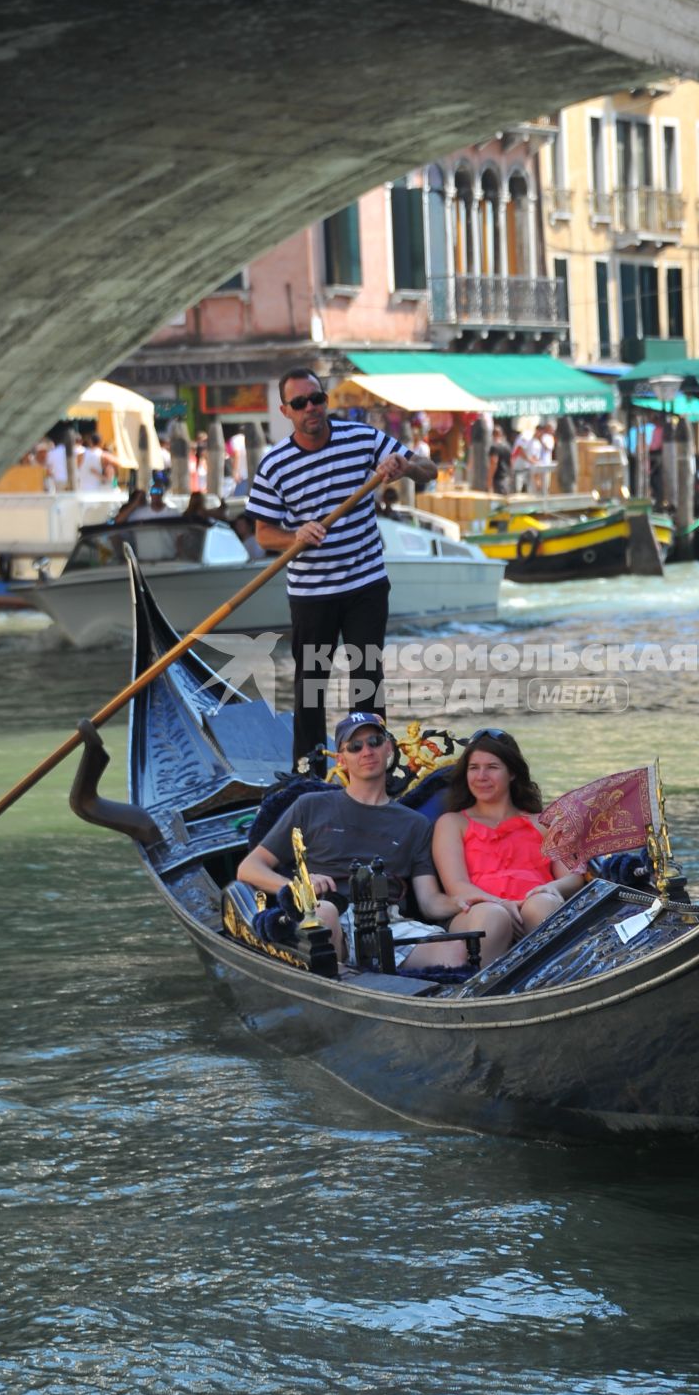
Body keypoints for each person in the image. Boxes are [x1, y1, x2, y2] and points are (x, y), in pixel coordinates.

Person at [245, 368, 438, 773]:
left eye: (317, 399)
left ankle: (372, 766)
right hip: (312, 594)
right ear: (286, 411)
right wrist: (295, 535)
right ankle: (309, 771)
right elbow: (264, 534)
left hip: (365, 585)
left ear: (325, 400)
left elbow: (428, 471)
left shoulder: (362, 438)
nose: (311, 408)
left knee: (367, 677)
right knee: (311, 685)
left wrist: (404, 465)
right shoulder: (275, 465)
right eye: (300, 403)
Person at [237, 713, 509, 970]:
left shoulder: (415, 825)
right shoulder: (310, 805)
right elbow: (249, 868)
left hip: (388, 922)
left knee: (460, 955)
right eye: (355, 746)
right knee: (326, 913)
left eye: (374, 742)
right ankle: (343, 987)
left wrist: (467, 900)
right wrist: (300, 888)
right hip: (325, 912)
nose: (367, 751)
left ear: (388, 748)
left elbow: (428, 902)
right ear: (341, 759)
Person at [431, 729, 586, 944]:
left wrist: (551, 889)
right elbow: (457, 886)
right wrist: (502, 905)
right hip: (477, 913)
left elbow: (573, 876)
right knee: (493, 916)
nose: (481, 776)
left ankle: (548, 976)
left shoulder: (544, 823)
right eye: (474, 768)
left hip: (536, 908)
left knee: (542, 904)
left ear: (512, 773)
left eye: (492, 767)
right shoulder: (452, 823)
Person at [488, 423, 514, 499]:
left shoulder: (494, 447)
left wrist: (489, 479)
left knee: (498, 504)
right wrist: (511, 476)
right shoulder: (508, 446)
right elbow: (511, 462)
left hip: (498, 479)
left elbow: (494, 463)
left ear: (493, 435)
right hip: (506, 478)